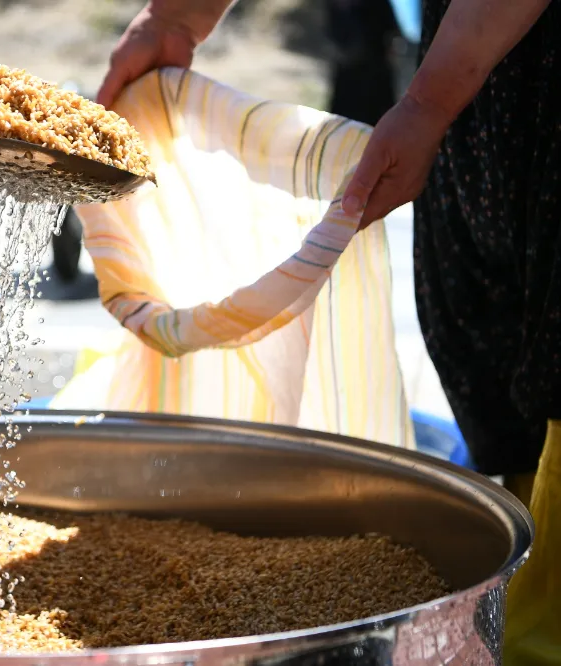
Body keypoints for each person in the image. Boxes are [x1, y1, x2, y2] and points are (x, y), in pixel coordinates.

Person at [97, 0, 559, 663]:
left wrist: (428, 105)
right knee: (492, 358)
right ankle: (514, 608)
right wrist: (177, 17)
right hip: (479, 75)